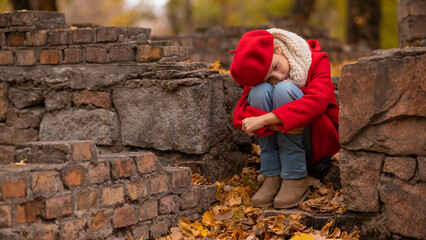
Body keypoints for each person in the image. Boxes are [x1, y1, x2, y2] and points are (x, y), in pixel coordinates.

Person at [230, 28, 340, 209]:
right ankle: (272, 175)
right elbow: (239, 116)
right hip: (283, 144)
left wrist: (265, 120)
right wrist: (280, 123)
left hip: (316, 139)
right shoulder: (261, 74)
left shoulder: (317, 60)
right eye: (270, 78)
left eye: (276, 67)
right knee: (259, 91)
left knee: (283, 89)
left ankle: (295, 176)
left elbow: (317, 103)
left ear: (277, 49)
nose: (279, 76)